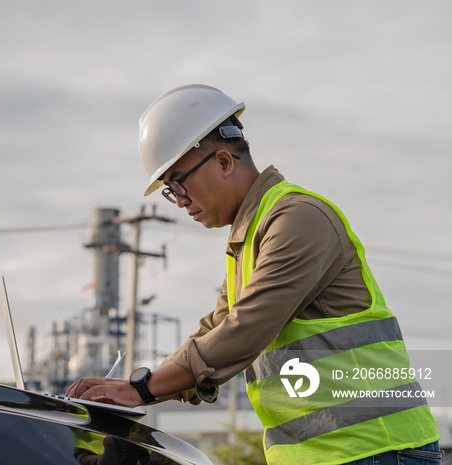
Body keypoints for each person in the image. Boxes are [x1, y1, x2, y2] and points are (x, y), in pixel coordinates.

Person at [67, 84, 443, 464]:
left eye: (178, 182)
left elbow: (244, 329)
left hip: (378, 449)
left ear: (224, 162)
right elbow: (212, 332)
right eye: (169, 191)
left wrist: (140, 390)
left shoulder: (297, 219)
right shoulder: (246, 244)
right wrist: (135, 387)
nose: (179, 201)